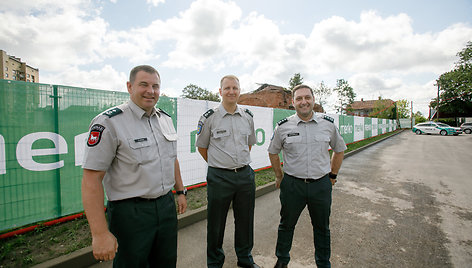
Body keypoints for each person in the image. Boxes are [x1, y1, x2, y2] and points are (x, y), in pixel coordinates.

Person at [81, 65, 187, 267]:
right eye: (144, 85)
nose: (151, 91)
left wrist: (180, 191)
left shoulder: (165, 119)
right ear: (130, 87)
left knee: (166, 262)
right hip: (130, 214)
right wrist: (100, 233)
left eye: (155, 86)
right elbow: (91, 179)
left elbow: (171, 158)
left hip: (165, 207)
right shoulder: (109, 122)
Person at [268, 84, 347, 268]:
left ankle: (323, 262)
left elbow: (339, 149)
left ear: (313, 99)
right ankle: (282, 260)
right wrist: (279, 177)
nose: (304, 102)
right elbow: (273, 152)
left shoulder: (327, 125)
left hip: (321, 185)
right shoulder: (283, 127)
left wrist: (332, 175)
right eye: (299, 99)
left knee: (322, 228)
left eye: (307, 97)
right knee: (286, 226)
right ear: (293, 102)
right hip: (292, 186)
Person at [196, 75, 260, 268]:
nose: (231, 91)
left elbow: (248, 144)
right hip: (219, 177)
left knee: (245, 221)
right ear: (220, 91)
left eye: (235, 88)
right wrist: (220, 164)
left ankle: (245, 258)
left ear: (239, 91)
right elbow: (202, 147)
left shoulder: (248, 116)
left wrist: (237, 164)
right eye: (227, 88)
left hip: (244, 175)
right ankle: (215, 262)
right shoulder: (209, 118)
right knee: (216, 223)